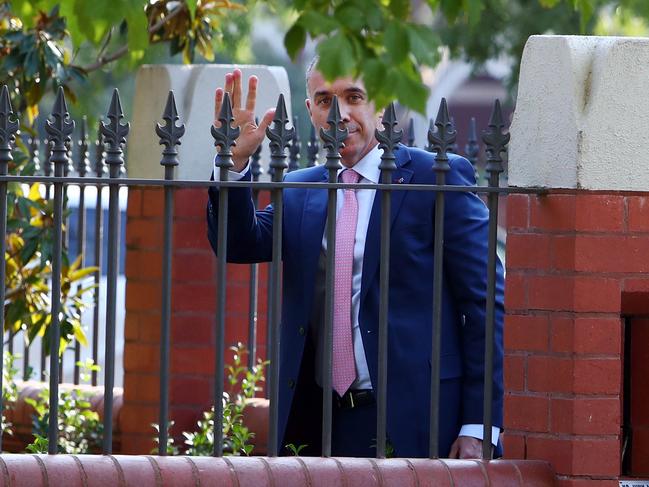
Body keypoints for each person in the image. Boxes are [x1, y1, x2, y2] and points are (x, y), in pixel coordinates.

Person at [207, 64, 504, 459]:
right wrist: (233, 164)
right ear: (310, 110)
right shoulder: (299, 189)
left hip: (419, 418)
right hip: (321, 422)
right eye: (326, 100)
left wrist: (479, 425)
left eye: (353, 97)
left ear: (379, 106)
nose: (339, 114)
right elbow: (237, 243)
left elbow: (486, 302)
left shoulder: (434, 178)